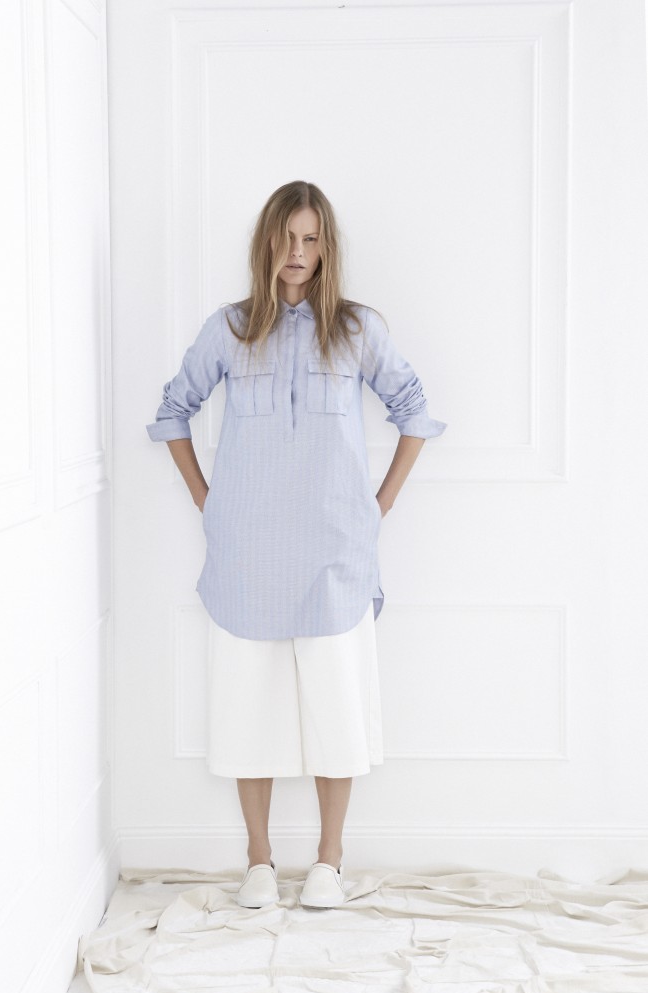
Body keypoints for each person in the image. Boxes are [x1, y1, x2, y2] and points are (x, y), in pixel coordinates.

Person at [146, 180, 447, 909]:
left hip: (334, 550)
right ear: (267, 243)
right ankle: (258, 862)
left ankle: (329, 863)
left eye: (311, 240)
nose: (298, 253)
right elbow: (173, 410)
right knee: (246, 710)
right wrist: (208, 502)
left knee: (336, 710)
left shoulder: (356, 330)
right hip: (246, 553)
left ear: (326, 247)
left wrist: (378, 506)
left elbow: (414, 410)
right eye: (287, 239)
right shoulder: (229, 329)